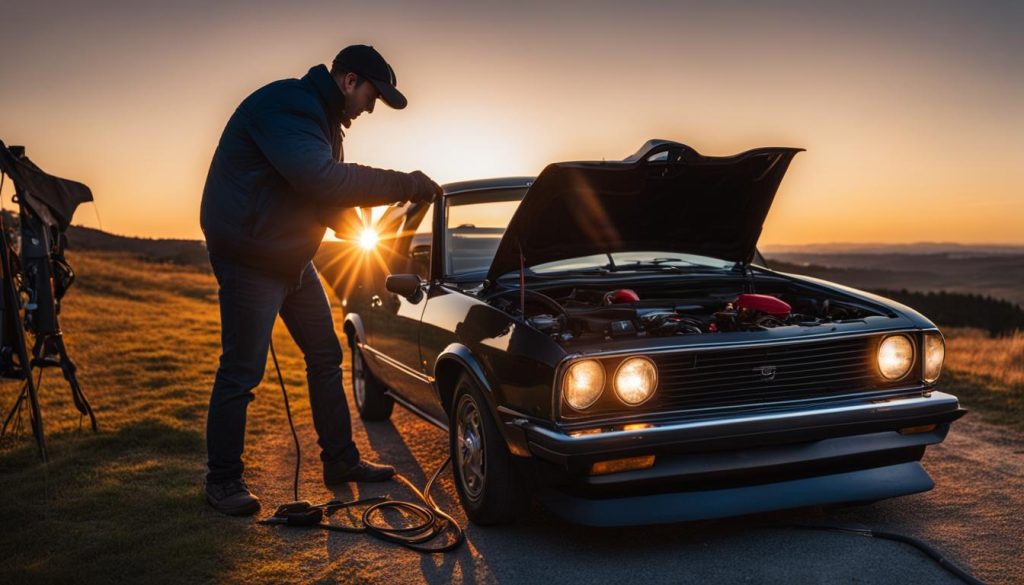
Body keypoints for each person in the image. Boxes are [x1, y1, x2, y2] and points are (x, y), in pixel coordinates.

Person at [199, 44, 441, 516]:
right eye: (373, 95)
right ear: (349, 80)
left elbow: (326, 204)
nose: (371, 107)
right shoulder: (288, 106)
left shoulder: (324, 121)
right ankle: (223, 481)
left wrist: (379, 249)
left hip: (291, 258)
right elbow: (324, 181)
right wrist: (406, 183)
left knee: (326, 355)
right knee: (242, 371)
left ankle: (341, 462)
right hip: (250, 259)